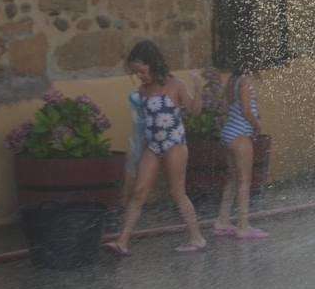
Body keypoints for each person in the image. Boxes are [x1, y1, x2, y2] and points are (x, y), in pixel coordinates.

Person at [107, 40, 207, 256]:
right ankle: (122, 241)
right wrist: (136, 150)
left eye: (141, 71)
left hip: (174, 143)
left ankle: (197, 237)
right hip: (153, 145)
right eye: (136, 73)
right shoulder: (142, 91)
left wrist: (198, 88)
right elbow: (142, 124)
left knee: (177, 192)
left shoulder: (175, 85)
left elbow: (195, 111)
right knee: (139, 192)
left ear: (152, 64)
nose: (140, 76)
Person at [213, 60, 268, 240]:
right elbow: (246, 110)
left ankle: (222, 220)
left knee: (234, 179)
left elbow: (232, 107)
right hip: (240, 135)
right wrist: (257, 124)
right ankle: (243, 225)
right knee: (245, 180)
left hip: (229, 133)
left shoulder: (234, 80)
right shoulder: (245, 81)